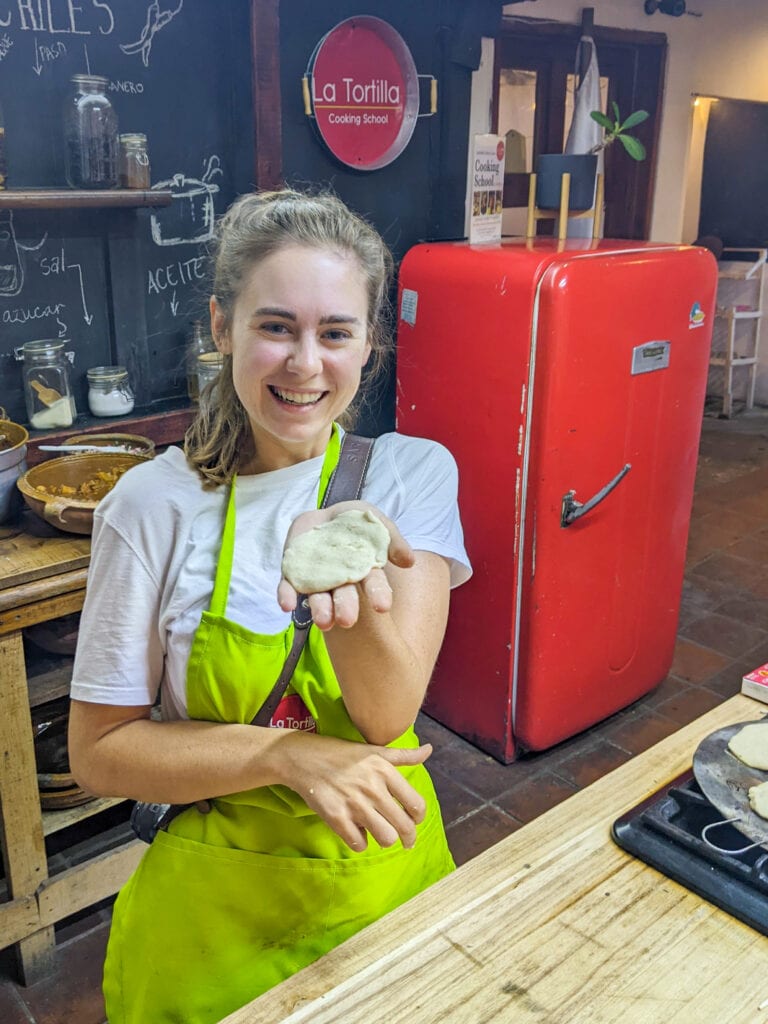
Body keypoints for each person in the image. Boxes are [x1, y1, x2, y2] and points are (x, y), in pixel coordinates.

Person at [68, 188, 472, 1024]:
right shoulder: (152, 505)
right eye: (275, 326)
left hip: (383, 890)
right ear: (224, 328)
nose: (303, 363)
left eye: (335, 333)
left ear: (369, 346)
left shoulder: (410, 476)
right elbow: (101, 753)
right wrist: (286, 758)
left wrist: (343, 564)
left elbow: (386, 710)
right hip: (211, 936)